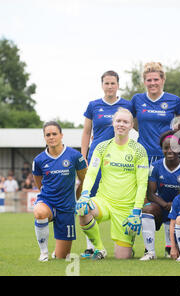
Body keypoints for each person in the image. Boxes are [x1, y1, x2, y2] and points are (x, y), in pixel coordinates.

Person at [76, 108, 149, 260]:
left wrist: (136, 211)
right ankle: (99, 249)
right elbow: (91, 173)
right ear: (113, 123)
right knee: (83, 210)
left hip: (126, 208)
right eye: (118, 121)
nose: (121, 124)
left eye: (125, 122)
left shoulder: (139, 150)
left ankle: (129, 244)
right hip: (104, 201)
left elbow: (142, 184)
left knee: (123, 258)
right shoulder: (102, 147)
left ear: (131, 126)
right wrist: (85, 194)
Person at [80, 70, 133, 256]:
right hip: (97, 157)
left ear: (118, 85)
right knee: (90, 200)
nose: (110, 86)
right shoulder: (93, 105)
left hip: (119, 160)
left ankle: (127, 240)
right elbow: (87, 132)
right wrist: (84, 155)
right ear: (102, 85)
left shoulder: (127, 104)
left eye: (113, 83)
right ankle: (92, 246)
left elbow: (137, 127)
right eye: (106, 83)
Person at [32, 121, 87, 261]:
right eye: (48, 134)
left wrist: (77, 199)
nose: (51, 137)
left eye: (54, 134)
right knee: (39, 212)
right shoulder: (39, 160)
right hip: (47, 202)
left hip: (67, 207)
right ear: (44, 137)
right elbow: (40, 184)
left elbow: (84, 180)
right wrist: (47, 197)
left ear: (61, 135)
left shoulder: (74, 156)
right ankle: (43, 253)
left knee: (62, 257)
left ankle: (56, 253)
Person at [139, 130, 180, 260]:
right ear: (162, 149)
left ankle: (174, 246)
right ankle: (150, 252)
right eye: (166, 148)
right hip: (162, 207)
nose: (170, 151)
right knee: (148, 209)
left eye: (173, 147)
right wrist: (165, 204)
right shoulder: (155, 166)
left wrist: (175, 205)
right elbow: (150, 193)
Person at [130, 62, 180, 165]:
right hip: (142, 154)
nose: (153, 83)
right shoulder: (137, 99)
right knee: (143, 181)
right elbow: (131, 123)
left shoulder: (174, 100)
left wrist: (177, 128)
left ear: (163, 80)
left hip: (167, 154)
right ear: (144, 82)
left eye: (156, 79)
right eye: (149, 80)